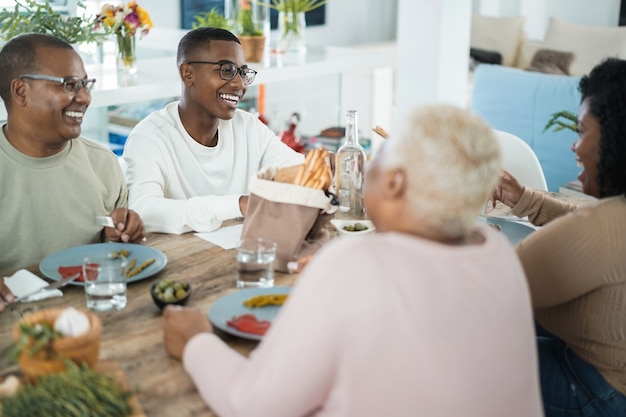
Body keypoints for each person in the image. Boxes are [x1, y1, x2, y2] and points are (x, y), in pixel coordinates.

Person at [162, 104, 544, 417]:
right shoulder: (498, 256)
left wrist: (197, 341)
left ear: (394, 183)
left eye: (375, 160)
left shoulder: (353, 265)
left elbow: (254, 404)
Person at [492, 58, 626, 416]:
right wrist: (524, 200)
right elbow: (584, 220)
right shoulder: (613, 218)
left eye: (582, 131)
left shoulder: (607, 227)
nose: (575, 146)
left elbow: (490, 284)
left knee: (465, 354)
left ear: (614, 137)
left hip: (601, 392)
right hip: (609, 365)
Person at [122, 28, 304, 234]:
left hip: (240, 252)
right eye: (226, 70)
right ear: (187, 73)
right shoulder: (149, 137)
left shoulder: (247, 126)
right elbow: (143, 210)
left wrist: (327, 168)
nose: (239, 84)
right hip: (182, 261)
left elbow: (297, 170)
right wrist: (239, 205)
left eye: (243, 73)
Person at [0, 33, 145, 276]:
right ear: (21, 91)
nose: (85, 98)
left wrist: (123, 234)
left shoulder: (103, 164)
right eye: (69, 85)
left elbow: (119, 260)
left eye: (85, 85)